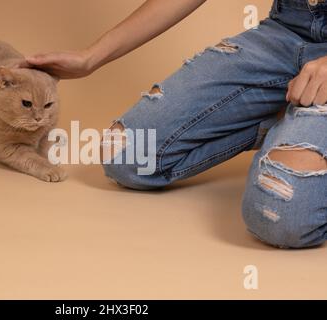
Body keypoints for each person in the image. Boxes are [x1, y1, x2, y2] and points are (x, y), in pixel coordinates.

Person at [23, 0, 327, 249]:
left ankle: (303, 131)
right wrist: (90, 57)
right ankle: (285, 118)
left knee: (280, 214)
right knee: (127, 155)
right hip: (286, 30)